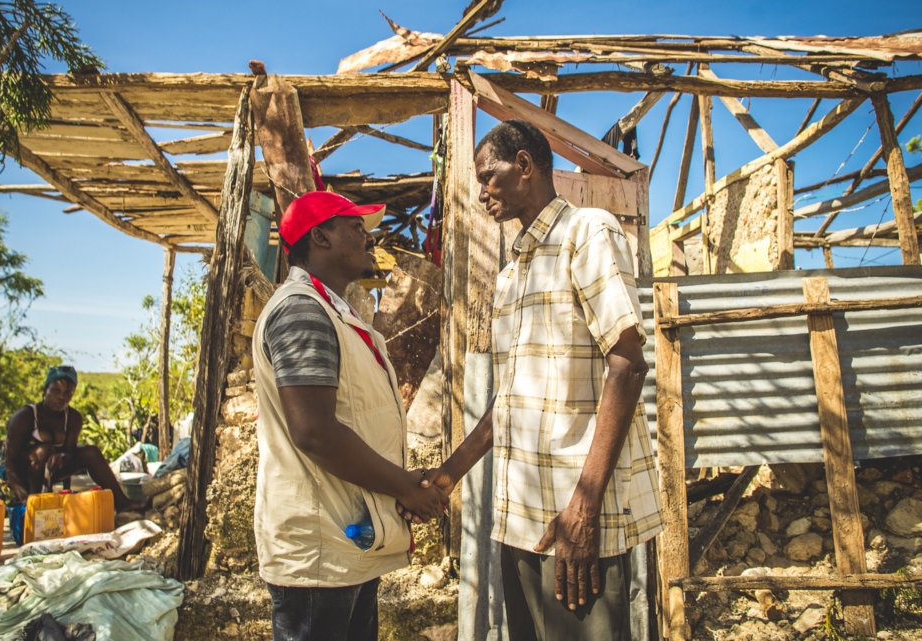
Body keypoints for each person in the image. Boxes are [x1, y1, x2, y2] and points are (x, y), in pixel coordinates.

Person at [418, 120, 663, 640]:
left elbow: (628, 363)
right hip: (520, 522)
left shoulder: (587, 233)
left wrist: (584, 505)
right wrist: (450, 472)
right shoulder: (512, 274)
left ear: (524, 166)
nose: (482, 193)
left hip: (573, 523)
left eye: (489, 177)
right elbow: (508, 402)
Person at [252, 190, 448, 641]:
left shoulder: (334, 311)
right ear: (319, 237)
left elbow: (353, 419)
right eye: (354, 226)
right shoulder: (302, 310)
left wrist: (402, 480)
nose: (367, 234)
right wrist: (403, 487)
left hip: (344, 543)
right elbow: (315, 432)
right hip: (319, 555)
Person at [5, 365, 145, 511]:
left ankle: (122, 502)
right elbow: (9, 459)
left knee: (91, 452)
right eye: (56, 391)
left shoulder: (73, 418)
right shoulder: (25, 416)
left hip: (53, 470)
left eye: (68, 393)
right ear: (45, 390)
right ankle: (35, 505)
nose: (61, 397)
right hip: (25, 472)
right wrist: (21, 494)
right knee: (43, 451)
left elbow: (70, 451)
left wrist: (62, 456)